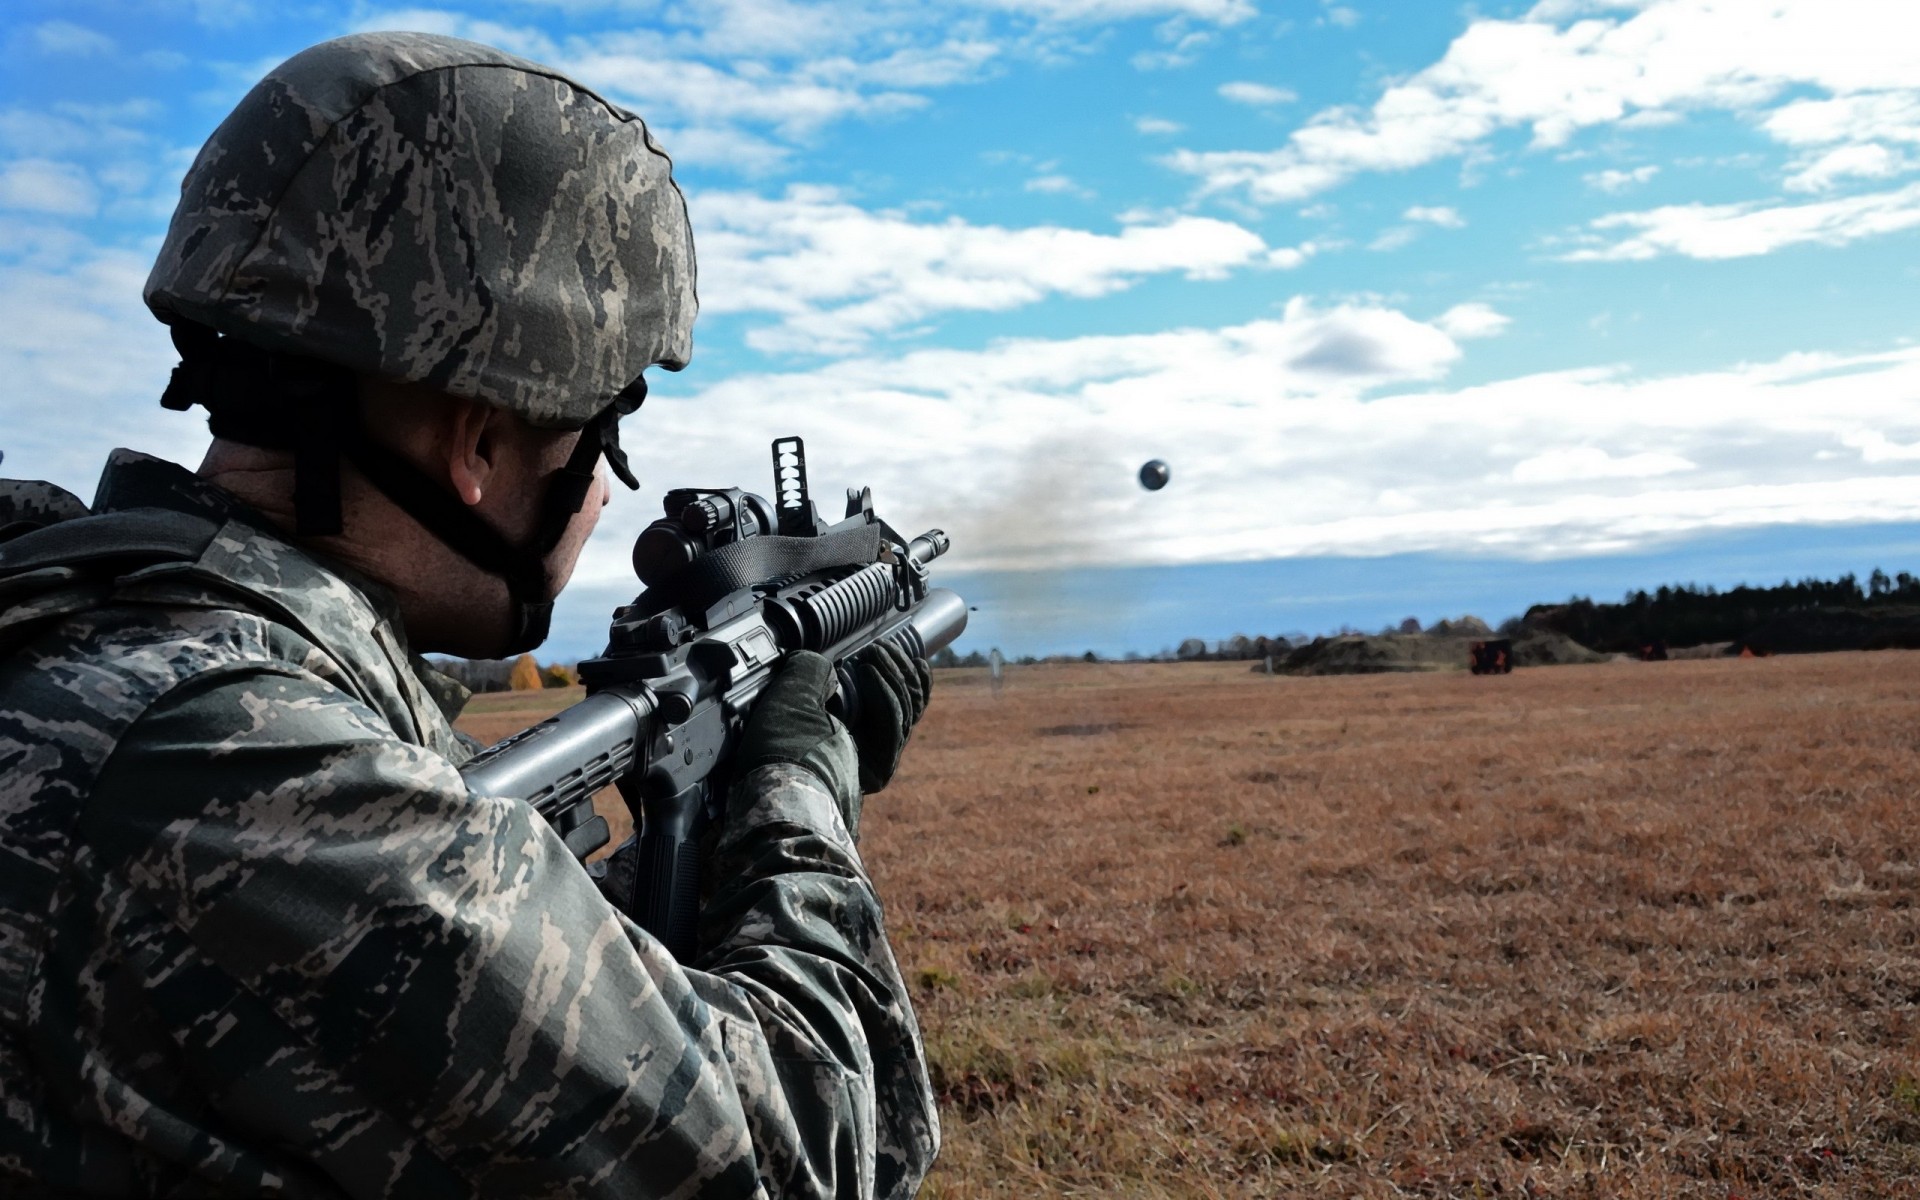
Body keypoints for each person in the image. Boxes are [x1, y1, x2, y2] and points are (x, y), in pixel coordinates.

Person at [0, 32, 937, 1198]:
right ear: (479, 443)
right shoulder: (238, 760)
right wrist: (799, 793)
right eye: (603, 434)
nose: (606, 491)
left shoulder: (98, 633)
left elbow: (486, 1015)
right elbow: (799, 1153)